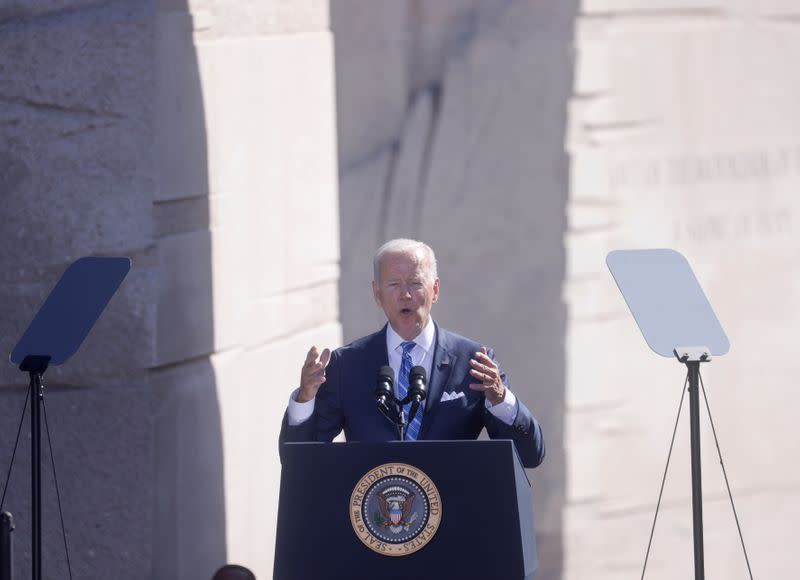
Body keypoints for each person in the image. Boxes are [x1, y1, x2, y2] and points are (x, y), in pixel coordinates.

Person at [279, 239, 544, 468]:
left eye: (416, 283)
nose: (405, 295)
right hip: (374, 517)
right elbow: (298, 461)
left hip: (453, 518)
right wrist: (305, 398)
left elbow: (530, 455)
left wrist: (500, 400)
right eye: (394, 284)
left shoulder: (474, 361)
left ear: (435, 290)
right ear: (377, 294)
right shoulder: (346, 364)